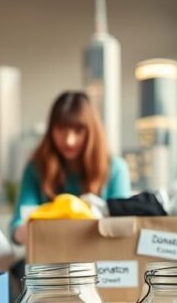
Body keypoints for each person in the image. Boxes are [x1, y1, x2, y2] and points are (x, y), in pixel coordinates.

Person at [11, 91, 131, 244]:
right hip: (48, 260)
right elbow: (17, 226)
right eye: (61, 129)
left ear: (91, 132)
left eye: (78, 131)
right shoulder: (36, 168)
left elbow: (123, 228)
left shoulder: (116, 169)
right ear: (51, 130)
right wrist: (26, 231)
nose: (69, 141)